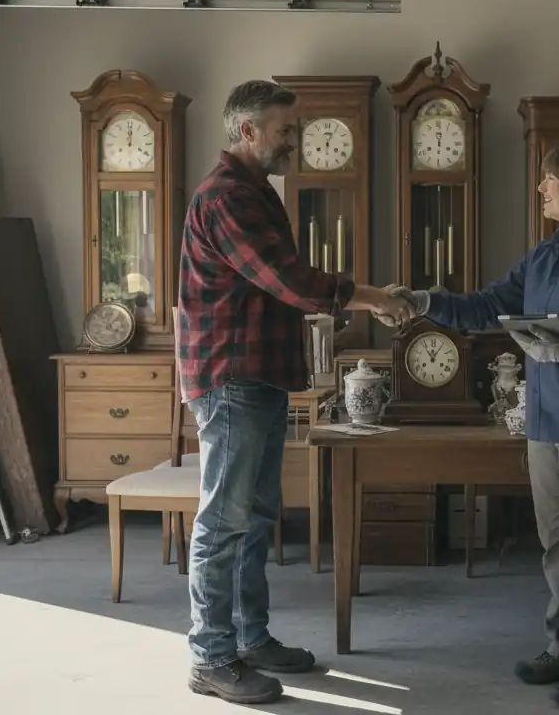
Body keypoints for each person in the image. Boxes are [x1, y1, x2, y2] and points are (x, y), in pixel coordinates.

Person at [378, 143, 559, 711]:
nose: (540, 188)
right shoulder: (545, 256)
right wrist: (423, 300)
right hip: (544, 423)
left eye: (550, 178)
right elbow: (488, 306)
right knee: (557, 546)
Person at [177, 79, 410, 705]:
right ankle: (210, 656)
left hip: (259, 377)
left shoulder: (255, 192)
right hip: (232, 379)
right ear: (247, 131)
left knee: (253, 520)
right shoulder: (228, 196)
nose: (294, 140)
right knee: (224, 523)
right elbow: (288, 279)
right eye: (285, 130)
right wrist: (372, 297)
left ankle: (250, 640)